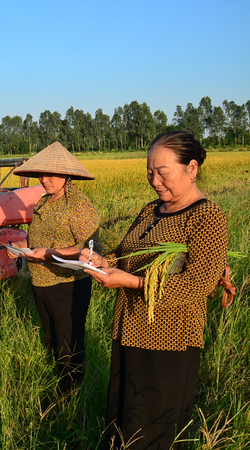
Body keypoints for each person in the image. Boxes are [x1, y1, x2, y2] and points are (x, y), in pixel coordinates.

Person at [80, 131, 228, 449]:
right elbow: (125, 256)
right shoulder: (151, 211)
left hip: (170, 340)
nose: (155, 180)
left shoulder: (207, 216)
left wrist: (132, 282)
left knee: (156, 429)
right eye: (150, 171)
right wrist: (100, 261)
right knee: (124, 422)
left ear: (191, 168)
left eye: (163, 172)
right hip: (128, 330)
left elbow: (198, 284)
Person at [7, 142, 99, 389]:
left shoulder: (79, 205)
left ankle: (71, 394)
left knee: (69, 342)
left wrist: (48, 254)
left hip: (67, 286)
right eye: (41, 174)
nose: (44, 179)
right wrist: (22, 247)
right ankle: (57, 382)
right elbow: (36, 235)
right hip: (41, 283)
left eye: (50, 174)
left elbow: (90, 249)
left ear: (66, 174)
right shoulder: (44, 201)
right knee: (51, 337)